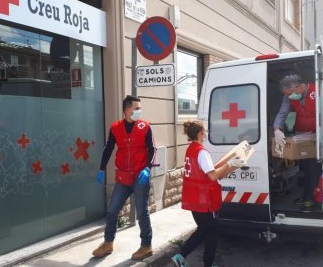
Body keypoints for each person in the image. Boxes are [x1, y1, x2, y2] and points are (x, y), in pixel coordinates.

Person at [171, 120, 247, 267]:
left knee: (209, 233)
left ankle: (206, 263)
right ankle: (181, 255)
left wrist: (232, 167)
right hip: (205, 201)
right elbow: (213, 176)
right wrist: (230, 164)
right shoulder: (201, 152)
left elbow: (215, 174)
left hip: (194, 199)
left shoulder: (191, 149)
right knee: (207, 231)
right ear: (200, 133)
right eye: (204, 131)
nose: (206, 134)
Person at [92, 95, 156, 260]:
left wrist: (147, 169)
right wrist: (101, 169)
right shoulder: (115, 128)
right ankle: (108, 243)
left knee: (142, 212)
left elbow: (152, 150)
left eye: (140, 108)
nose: (139, 111)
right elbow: (108, 149)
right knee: (112, 210)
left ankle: (146, 245)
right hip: (123, 177)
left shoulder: (145, 127)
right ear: (127, 110)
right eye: (137, 108)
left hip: (140, 177)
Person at [273, 74, 322, 212]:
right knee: (304, 169)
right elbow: (282, 113)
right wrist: (277, 129)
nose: (289, 97)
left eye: (290, 94)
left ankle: (312, 199)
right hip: (301, 135)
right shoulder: (289, 96)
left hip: (317, 137)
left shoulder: (318, 90)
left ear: (297, 87)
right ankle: (306, 196)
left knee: (313, 169)